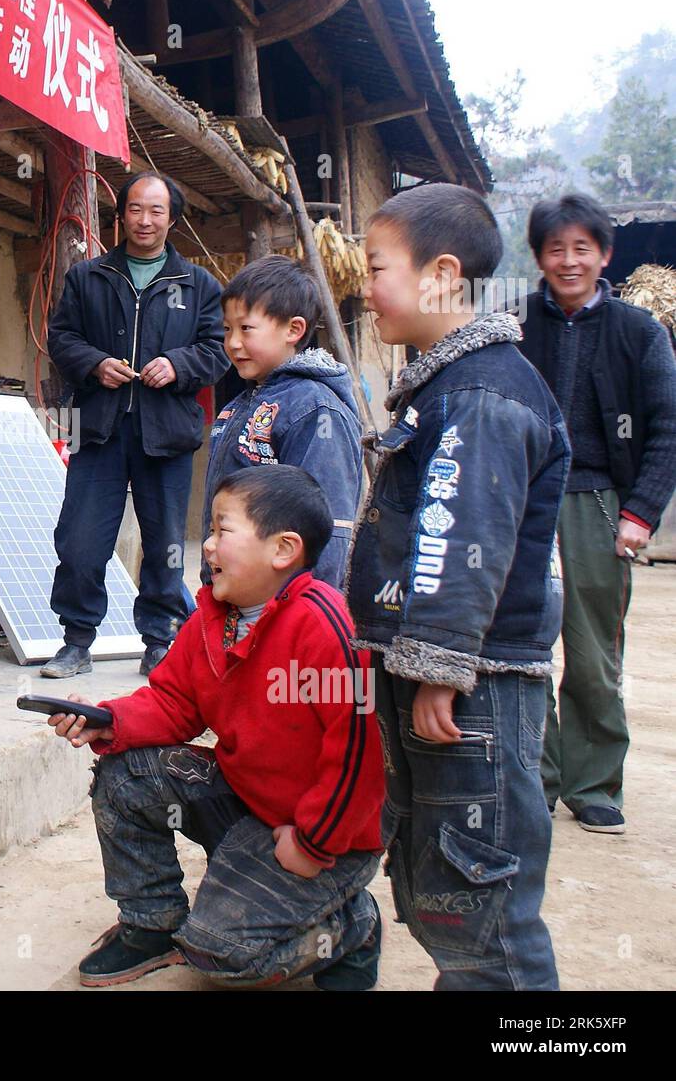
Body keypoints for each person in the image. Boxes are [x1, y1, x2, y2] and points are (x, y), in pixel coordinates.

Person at [346, 183, 569, 990]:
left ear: (441, 274)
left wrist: (438, 665)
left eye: (377, 268)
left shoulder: (479, 394)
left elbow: (461, 533)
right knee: (445, 885)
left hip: (470, 692)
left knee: (484, 908)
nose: (365, 287)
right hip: (447, 685)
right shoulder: (451, 385)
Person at [48, 465, 384, 988]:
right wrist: (108, 720)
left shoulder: (325, 626)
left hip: (322, 834)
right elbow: (173, 702)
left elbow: (361, 754)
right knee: (126, 772)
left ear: (283, 549)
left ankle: (351, 924)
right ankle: (151, 925)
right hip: (248, 805)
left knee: (221, 955)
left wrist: (315, 844)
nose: (207, 545)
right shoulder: (213, 616)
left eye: (223, 530)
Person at [517, 194, 676, 835]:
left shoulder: (640, 334)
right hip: (526, 499)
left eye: (582, 247)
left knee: (590, 652)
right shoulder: (515, 325)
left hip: (597, 503)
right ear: (539, 257)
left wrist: (641, 511)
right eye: (556, 248)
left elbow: (667, 429)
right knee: (525, 645)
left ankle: (592, 781)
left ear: (604, 255)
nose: (569, 260)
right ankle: (538, 776)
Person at [43, 171, 229, 680]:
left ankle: (161, 639)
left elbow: (218, 353)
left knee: (166, 541)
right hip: (98, 429)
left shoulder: (199, 286)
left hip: (165, 432)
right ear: (120, 214)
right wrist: (94, 363)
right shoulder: (88, 277)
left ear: (172, 218)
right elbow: (61, 338)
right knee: (80, 541)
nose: (145, 220)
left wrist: (178, 366)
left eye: (156, 211)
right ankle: (76, 641)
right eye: (135, 210)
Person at [204, 255, 362, 586]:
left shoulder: (315, 410)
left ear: (294, 329)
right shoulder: (238, 406)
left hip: (283, 605)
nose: (232, 343)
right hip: (236, 593)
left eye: (246, 328)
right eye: (227, 329)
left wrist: (307, 614)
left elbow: (329, 526)